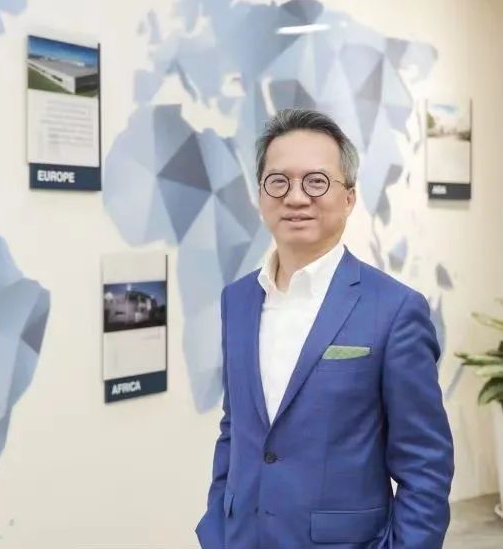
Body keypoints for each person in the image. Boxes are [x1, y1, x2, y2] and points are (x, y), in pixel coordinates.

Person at [195, 109, 454, 548]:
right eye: (278, 181)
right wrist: (217, 526)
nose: (296, 197)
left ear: (349, 198)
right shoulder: (237, 301)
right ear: (260, 195)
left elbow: (425, 466)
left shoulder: (394, 310)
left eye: (316, 181)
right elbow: (235, 428)